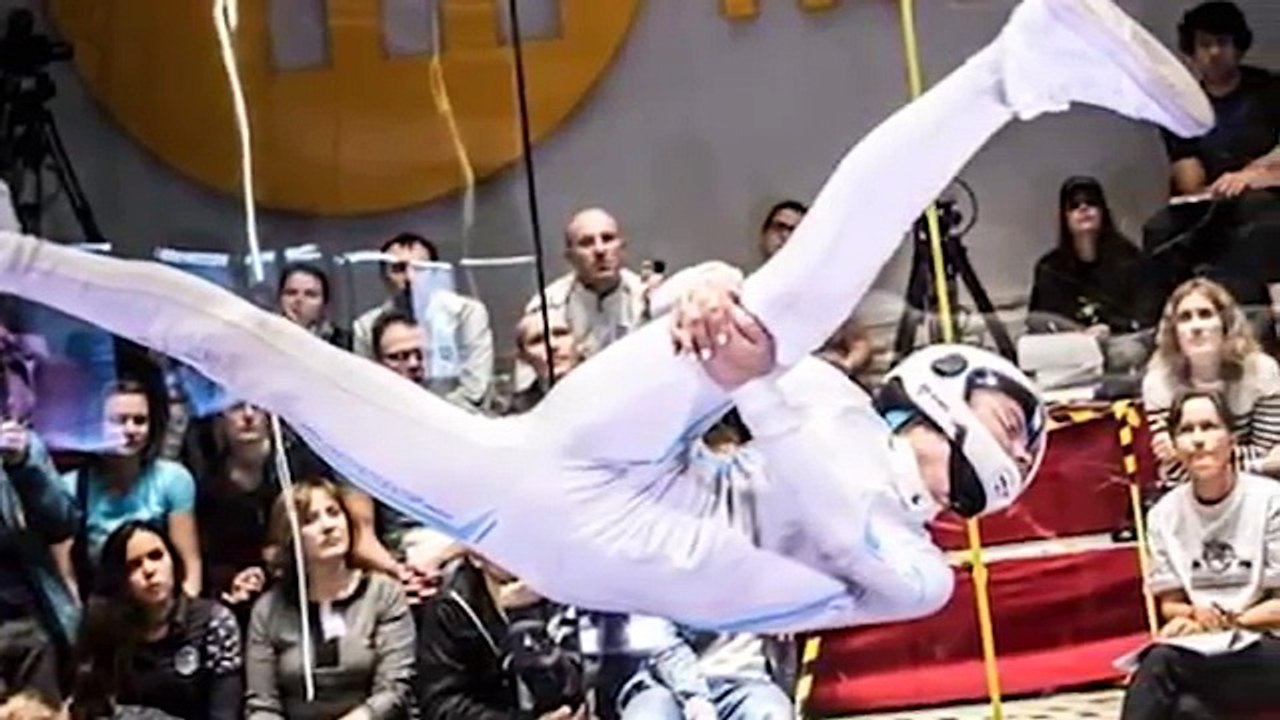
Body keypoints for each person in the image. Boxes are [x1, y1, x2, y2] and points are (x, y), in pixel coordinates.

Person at [0, 0, 1212, 632]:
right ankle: (1013, 70)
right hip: (571, 459)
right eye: (1015, 416)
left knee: (251, 348)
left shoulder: (922, 580)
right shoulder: (828, 388)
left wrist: (748, 371)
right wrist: (699, 298)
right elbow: (746, 357)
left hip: (525, 504)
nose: (1023, 439)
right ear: (947, 388)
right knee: (772, 308)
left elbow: (838, 532)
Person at [1120, 390, 1280, 719]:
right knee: (1187, 710)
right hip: (1204, 650)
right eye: (1187, 431)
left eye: (1208, 427)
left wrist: (1228, 619)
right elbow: (1170, 604)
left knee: (1161, 663)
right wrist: (1194, 616)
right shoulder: (1163, 515)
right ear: (1175, 446)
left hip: (1266, 647)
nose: (1198, 440)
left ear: (1231, 438)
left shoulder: (1271, 500)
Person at [244, 479, 417, 720]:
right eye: (310, 520)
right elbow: (262, 706)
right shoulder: (268, 609)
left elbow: (394, 691)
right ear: (290, 538)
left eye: (333, 513)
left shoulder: (383, 594)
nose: (328, 526)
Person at [68, 522, 242, 720]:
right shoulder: (103, 628)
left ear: (173, 561)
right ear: (119, 579)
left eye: (156, 556)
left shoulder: (215, 622)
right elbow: (88, 709)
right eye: (134, 565)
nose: (149, 570)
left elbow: (224, 714)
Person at [1142, 278, 1280, 483]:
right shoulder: (1158, 383)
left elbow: (1269, 452)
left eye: (1205, 315)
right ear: (1174, 331)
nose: (1196, 327)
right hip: (1187, 492)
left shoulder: (1262, 371)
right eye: (1185, 318)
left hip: (1258, 488)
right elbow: (1177, 469)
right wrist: (1257, 463)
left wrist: (1204, 458)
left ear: (1226, 324)